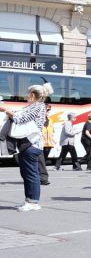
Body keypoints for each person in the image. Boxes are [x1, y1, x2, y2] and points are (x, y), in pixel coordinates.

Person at [1, 83, 52, 211]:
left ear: (32, 95)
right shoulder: (36, 106)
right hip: (28, 144)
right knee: (27, 173)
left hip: (31, 144)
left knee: (31, 174)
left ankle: (33, 202)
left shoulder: (38, 106)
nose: (26, 96)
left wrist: (5, 110)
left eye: (27, 94)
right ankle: (29, 200)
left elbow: (20, 118)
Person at [39, 104, 53, 185]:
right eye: (47, 110)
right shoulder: (38, 119)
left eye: (49, 111)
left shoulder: (50, 120)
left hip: (48, 144)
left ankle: (41, 178)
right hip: (40, 143)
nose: (48, 112)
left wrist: (53, 141)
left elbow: (51, 131)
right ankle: (43, 179)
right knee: (41, 162)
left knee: (43, 161)